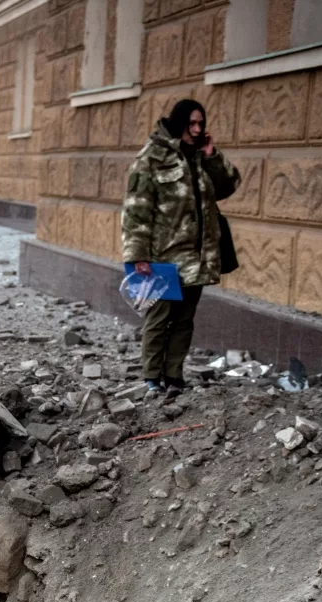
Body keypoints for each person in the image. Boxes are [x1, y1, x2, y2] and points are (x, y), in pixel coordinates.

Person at [122, 98, 239, 396]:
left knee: (185, 320)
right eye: (191, 123)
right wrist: (138, 256)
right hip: (162, 257)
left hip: (197, 256)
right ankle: (151, 378)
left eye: (201, 123)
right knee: (159, 319)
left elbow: (227, 186)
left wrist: (212, 155)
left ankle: (174, 375)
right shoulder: (152, 157)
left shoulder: (200, 157)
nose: (197, 129)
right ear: (178, 123)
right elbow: (136, 211)